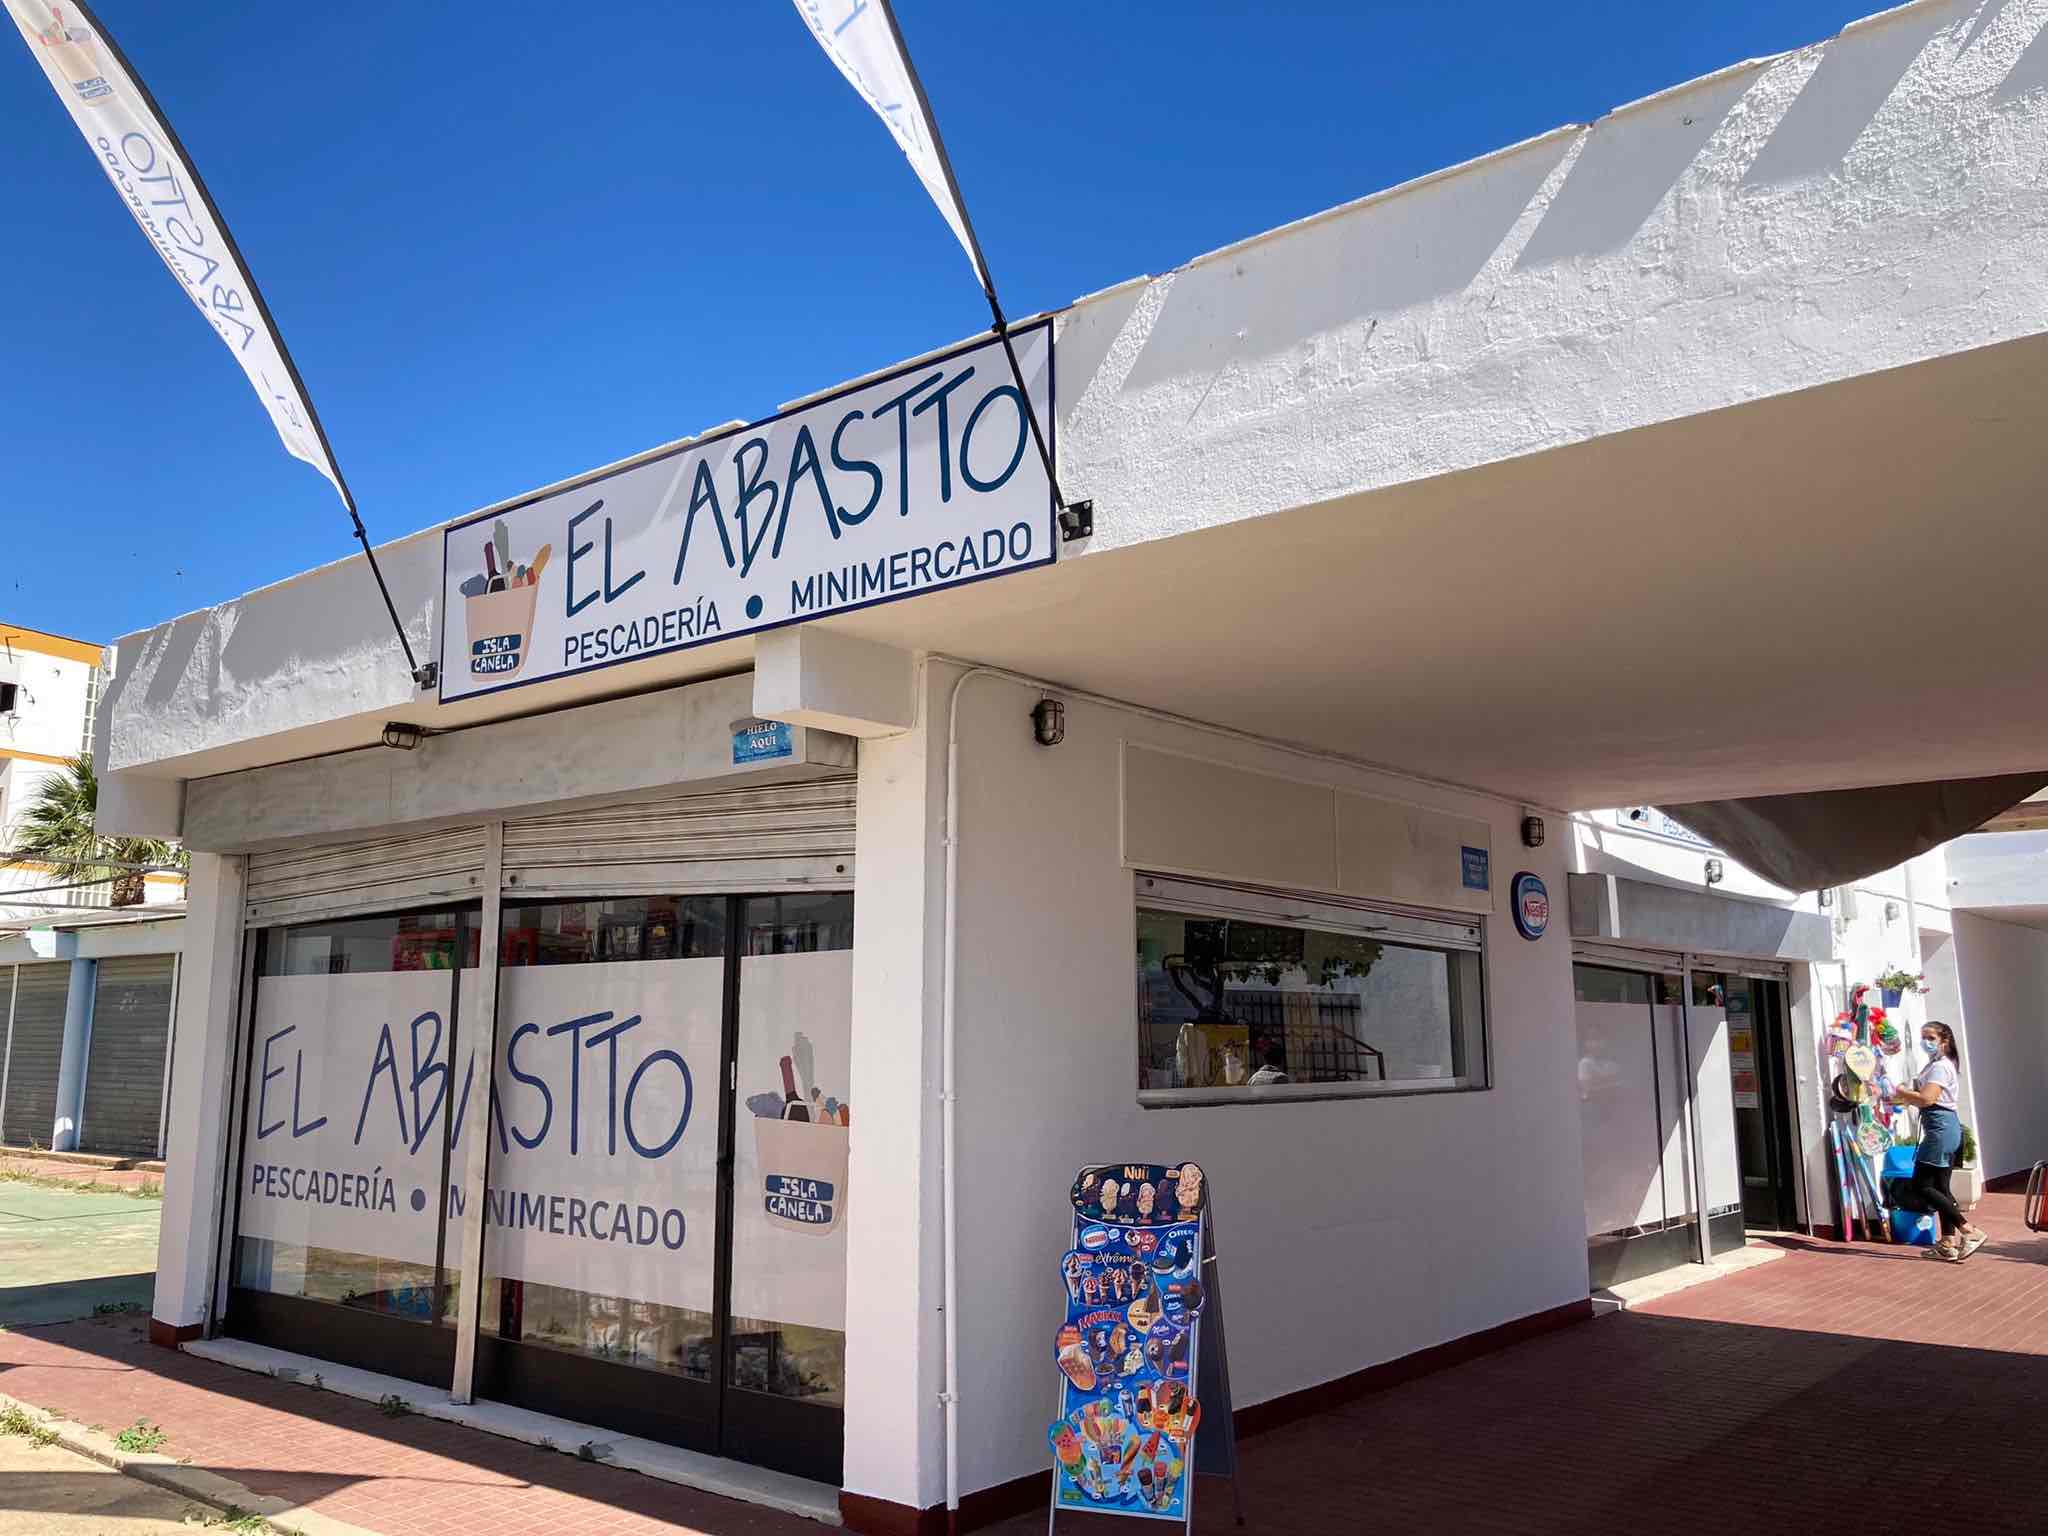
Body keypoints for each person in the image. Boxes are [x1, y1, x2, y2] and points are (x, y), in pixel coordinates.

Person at [1883, 1021, 1986, 1261]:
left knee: (1922, 1185)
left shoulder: (1940, 1067)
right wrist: (1898, 1100)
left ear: (1944, 1041)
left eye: (1930, 1037)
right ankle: (1947, 1243)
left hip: (1940, 1131)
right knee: (1941, 1188)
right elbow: (1922, 1099)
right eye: (1923, 1037)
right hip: (1945, 1128)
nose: (1925, 1042)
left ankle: (1969, 1230)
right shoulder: (1937, 1065)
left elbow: (1928, 1099)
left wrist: (1898, 1090)